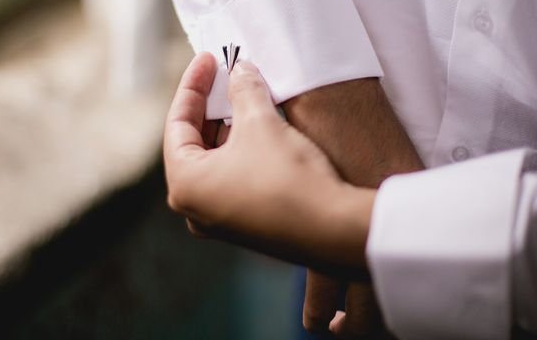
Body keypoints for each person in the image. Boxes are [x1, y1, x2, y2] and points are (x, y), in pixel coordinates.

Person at [132, 0, 537, 337]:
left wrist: (351, 223)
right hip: (340, 191)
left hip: (336, 214)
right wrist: (324, 96)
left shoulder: (336, 217)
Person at [163, 53, 537, 340]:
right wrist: (330, 101)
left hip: (328, 226)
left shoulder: (326, 219)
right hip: (330, 254)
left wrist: (343, 220)